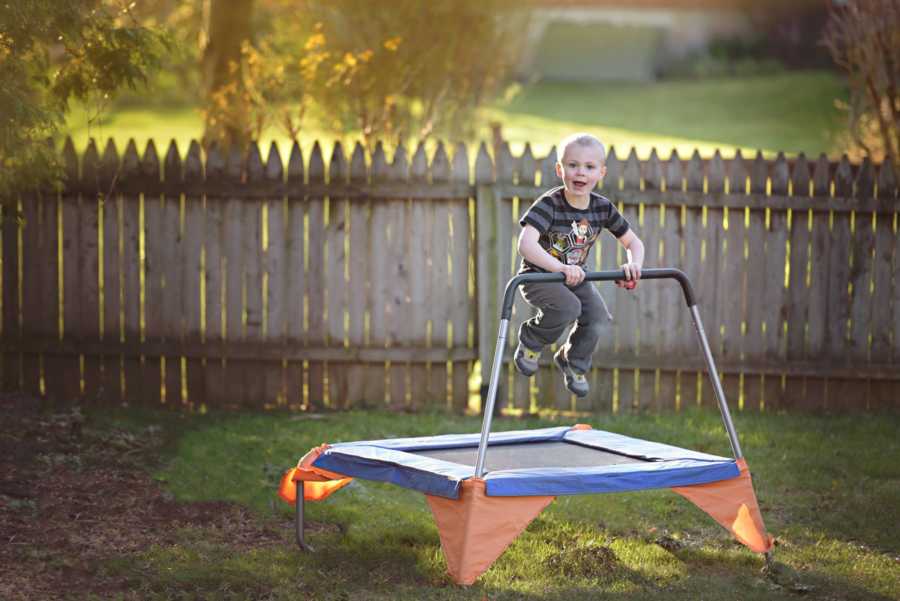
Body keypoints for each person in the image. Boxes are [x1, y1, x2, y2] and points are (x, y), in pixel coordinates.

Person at [513, 133, 645, 397]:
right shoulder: (549, 204)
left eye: (589, 167)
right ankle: (532, 340)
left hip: (574, 278)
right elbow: (526, 245)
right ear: (560, 169)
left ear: (601, 173)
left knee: (596, 317)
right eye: (572, 165)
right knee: (568, 307)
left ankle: (573, 362)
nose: (580, 173)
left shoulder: (602, 208)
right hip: (539, 277)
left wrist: (634, 266)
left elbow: (634, 243)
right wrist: (559, 268)